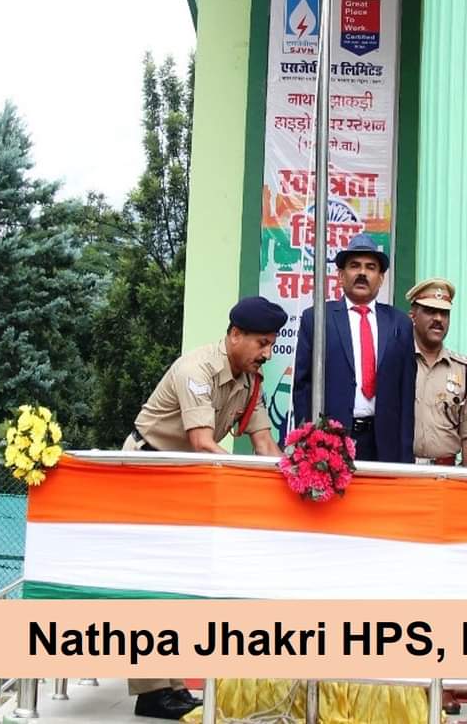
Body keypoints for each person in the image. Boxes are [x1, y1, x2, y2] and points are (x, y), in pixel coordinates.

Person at [124, 295, 287, 718]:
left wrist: (293, 479)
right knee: (151, 583)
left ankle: (172, 686)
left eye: (272, 344)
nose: (267, 354)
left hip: (187, 482)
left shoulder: (250, 381)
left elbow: (265, 444)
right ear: (235, 335)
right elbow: (201, 442)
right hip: (149, 473)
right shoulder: (196, 369)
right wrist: (244, 484)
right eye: (262, 343)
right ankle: (152, 691)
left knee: (180, 582)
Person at [292, 233, 415, 463]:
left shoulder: (400, 324)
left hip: (384, 445)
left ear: (381, 278)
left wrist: (405, 456)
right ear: (341, 275)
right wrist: (309, 444)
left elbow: (407, 395)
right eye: (354, 266)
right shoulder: (318, 318)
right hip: (330, 442)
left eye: (371, 267)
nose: (362, 273)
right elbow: (302, 388)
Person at [407, 277, 467, 466]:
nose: (438, 319)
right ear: (413, 316)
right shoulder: (397, 362)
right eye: (430, 311)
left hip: (446, 474)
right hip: (404, 470)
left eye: (444, 313)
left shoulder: (464, 370)